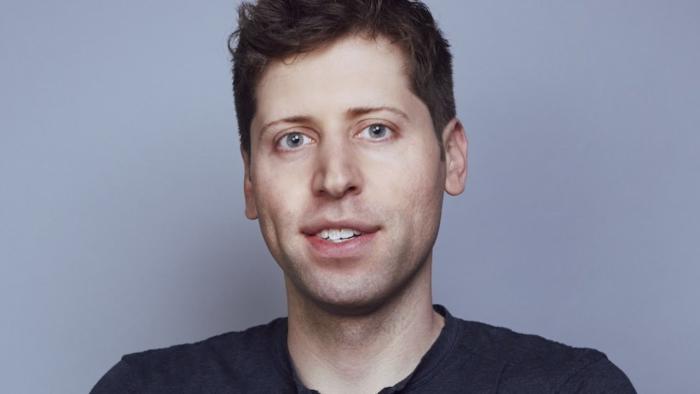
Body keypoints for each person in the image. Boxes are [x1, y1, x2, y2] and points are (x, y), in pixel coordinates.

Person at [92, 0, 636, 392]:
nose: (334, 177)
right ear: (250, 182)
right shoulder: (143, 388)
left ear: (453, 156)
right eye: (293, 139)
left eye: (376, 130)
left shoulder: (571, 388)